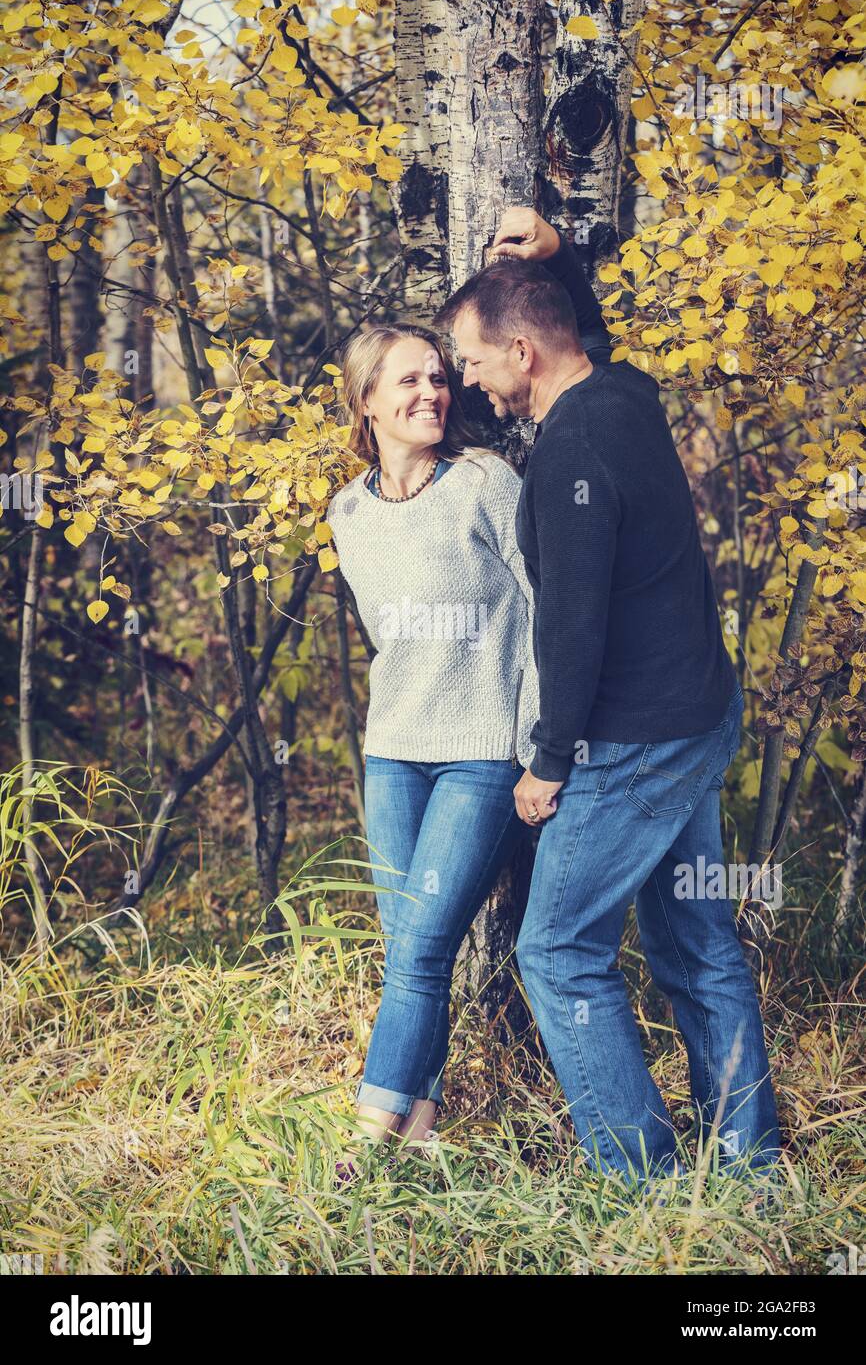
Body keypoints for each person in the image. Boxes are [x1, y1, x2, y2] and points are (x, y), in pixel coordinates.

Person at [434, 209, 781, 1182]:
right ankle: (751, 1171)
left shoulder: (567, 455)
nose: (466, 377)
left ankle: (644, 1175)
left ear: (519, 353)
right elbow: (575, 332)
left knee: (555, 949)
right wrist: (554, 260)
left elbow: (571, 627)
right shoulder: (622, 395)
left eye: (469, 358)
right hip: (695, 717)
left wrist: (546, 763)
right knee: (694, 943)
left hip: (631, 743)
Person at [325, 214, 606, 1172]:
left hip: (484, 752)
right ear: (366, 402)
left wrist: (540, 746)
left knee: (420, 947)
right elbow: (386, 639)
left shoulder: (484, 479)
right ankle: (425, 1133)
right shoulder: (348, 514)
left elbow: (545, 611)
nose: (433, 390)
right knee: (412, 946)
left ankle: (362, 1150)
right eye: (409, 379)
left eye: (441, 376)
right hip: (392, 751)